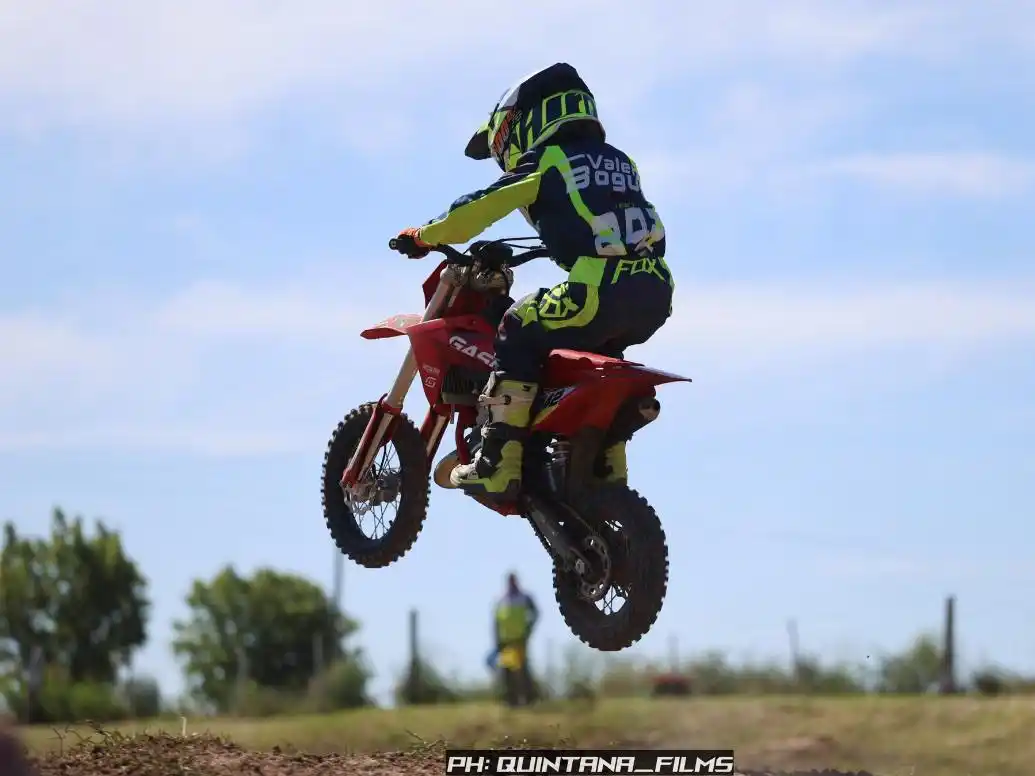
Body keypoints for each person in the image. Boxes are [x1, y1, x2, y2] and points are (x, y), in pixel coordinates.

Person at [392, 62, 674, 500]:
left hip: (597, 288)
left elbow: (478, 207)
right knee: (590, 356)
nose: (502, 153)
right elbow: (602, 216)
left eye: (501, 140)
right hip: (654, 290)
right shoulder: (620, 162)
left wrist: (426, 235)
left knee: (517, 324)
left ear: (525, 122)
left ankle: (497, 464)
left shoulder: (549, 160)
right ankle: (604, 470)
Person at [493, 572, 539, 706]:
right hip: (505, 640)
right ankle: (511, 701)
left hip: (520, 639)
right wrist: (496, 639)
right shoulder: (501, 600)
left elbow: (535, 613)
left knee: (522, 670)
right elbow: (496, 621)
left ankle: (530, 699)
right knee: (508, 671)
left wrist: (529, 629)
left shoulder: (524, 597)